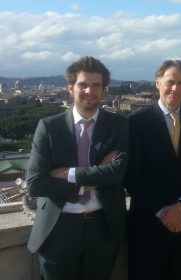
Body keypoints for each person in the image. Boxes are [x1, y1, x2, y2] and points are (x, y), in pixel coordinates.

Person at [26, 56, 129, 280]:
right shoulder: (49, 127)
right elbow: (35, 184)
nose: (89, 91)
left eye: (96, 85)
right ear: (71, 87)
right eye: (83, 85)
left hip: (103, 228)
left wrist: (67, 174)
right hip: (58, 229)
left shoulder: (119, 125)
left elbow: (117, 173)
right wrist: (88, 183)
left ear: (104, 89)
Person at [125, 59, 181, 280]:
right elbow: (132, 175)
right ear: (158, 83)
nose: (176, 88)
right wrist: (163, 212)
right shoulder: (136, 121)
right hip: (148, 225)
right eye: (170, 82)